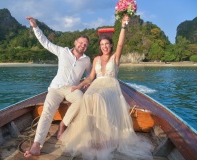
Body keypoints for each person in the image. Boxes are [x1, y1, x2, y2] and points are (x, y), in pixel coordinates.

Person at [60, 14, 153, 160]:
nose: (104, 47)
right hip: (97, 84)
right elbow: (91, 77)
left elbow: (121, 44)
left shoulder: (115, 57)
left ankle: (105, 137)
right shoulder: (96, 58)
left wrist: (123, 26)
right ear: (100, 47)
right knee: (88, 96)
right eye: (102, 45)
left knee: (97, 97)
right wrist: (79, 85)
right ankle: (92, 134)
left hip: (110, 85)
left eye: (107, 45)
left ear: (111, 46)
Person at [24, 16, 91, 157]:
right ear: (75, 42)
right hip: (56, 88)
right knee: (47, 110)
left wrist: (86, 83)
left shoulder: (86, 60)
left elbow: (90, 75)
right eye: (80, 43)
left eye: (85, 45)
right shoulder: (62, 51)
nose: (82, 46)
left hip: (72, 88)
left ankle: (62, 125)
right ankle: (37, 144)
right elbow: (45, 42)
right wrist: (35, 27)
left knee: (81, 100)